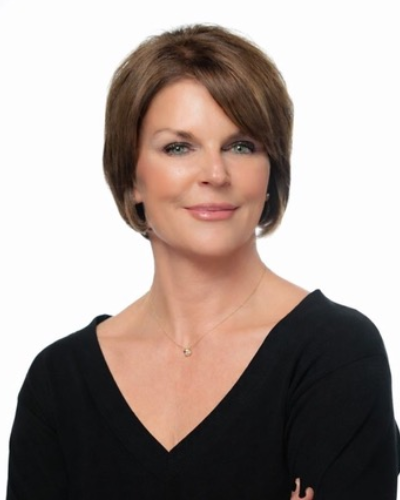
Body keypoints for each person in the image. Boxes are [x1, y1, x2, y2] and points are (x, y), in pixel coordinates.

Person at [6, 24, 399, 500]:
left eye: (241, 146)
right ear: (131, 179)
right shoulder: (59, 383)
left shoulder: (335, 354)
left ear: (271, 172)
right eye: (179, 147)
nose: (215, 173)